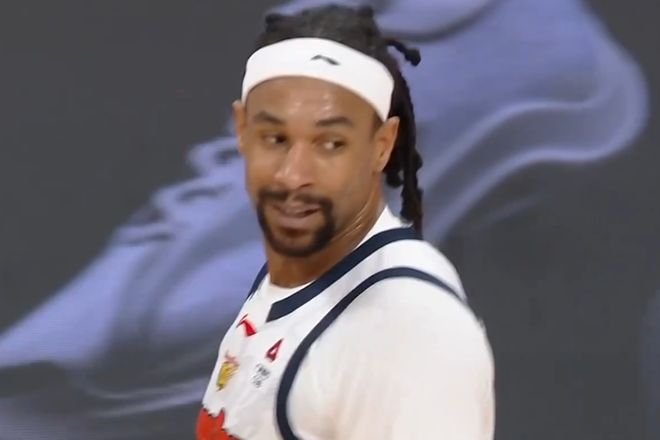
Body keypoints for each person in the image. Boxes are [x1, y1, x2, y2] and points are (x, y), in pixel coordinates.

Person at [196, 5, 494, 439]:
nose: (293, 175)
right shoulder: (295, 274)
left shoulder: (407, 329)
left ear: (382, 145)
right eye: (275, 138)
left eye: (331, 144)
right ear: (242, 130)